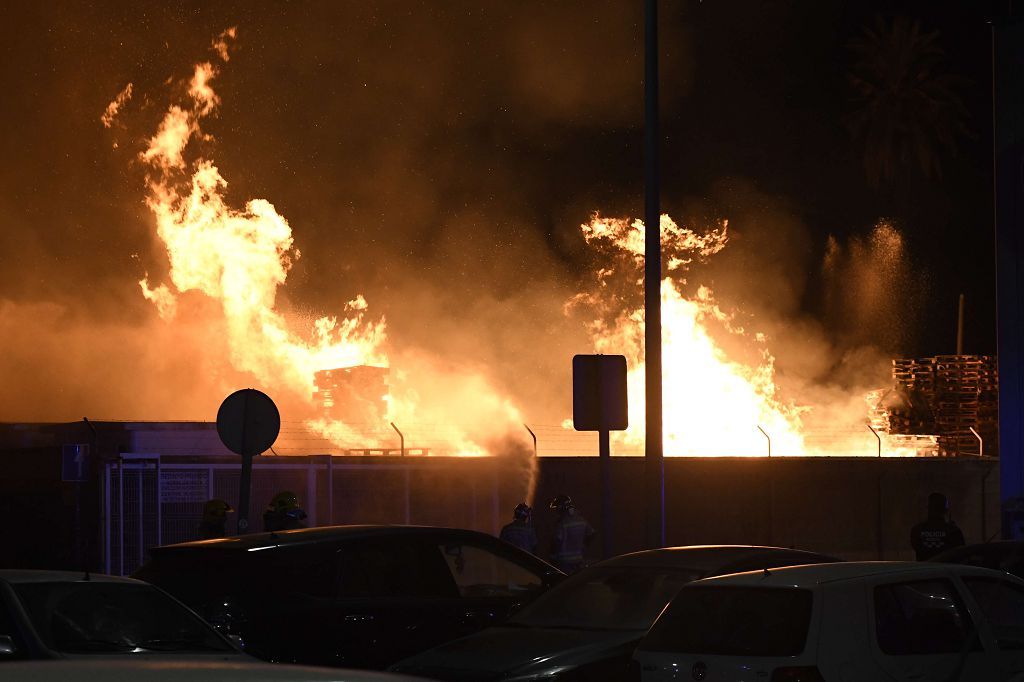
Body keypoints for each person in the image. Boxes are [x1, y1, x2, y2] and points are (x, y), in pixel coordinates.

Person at [911, 492, 965, 560]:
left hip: (925, 568)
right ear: (945, 510)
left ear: (929, 508)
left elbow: (917, 548)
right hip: (947, 569)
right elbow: (960, 553)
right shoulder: (953, 531)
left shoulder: (917, 530)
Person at [549, 494, 595, 573]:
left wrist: (552, 557)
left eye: (557, 508)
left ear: (561, 507)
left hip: (564, 562)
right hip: (578, 561)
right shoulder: (581, 519)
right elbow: (592, 533)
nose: (556, 511)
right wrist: (584, 546)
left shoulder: (562, 523)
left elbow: (557, 542)